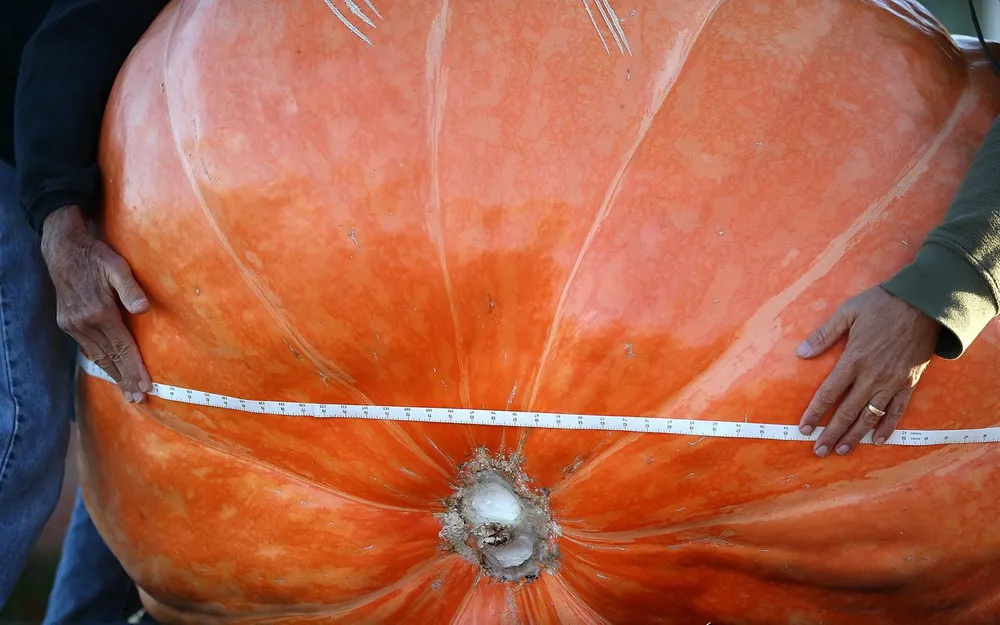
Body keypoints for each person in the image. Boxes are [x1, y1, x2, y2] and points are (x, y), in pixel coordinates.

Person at [1, 0, 165, 621]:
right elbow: (73, 32)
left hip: (108, 155)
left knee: (147, 414)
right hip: (18, 137)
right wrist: (58, 219)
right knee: (21, 421)